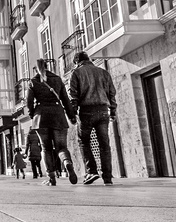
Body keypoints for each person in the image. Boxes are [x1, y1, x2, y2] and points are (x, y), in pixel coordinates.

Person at [27, 59, 78, 187]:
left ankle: (51, 178)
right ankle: (67, 163)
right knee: (61, 147)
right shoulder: (57, 79)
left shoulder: (33, 82)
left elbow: (29, 102)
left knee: (46, 148)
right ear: (48, 67)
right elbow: (65, 99)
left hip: (41, 118)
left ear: (36, 69)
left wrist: (33, 114)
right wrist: (71, 116)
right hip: (58, 116)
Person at [69, 51, 117, 186]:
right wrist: (113, 111)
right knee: (104, 144)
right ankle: (107, 177)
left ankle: (92, 171)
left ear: (77, 62)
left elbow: (74, 96)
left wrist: (73, 114)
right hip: (103, 111)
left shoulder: (77, 73)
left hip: (87, 111)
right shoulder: (103, 73)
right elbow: (112, 93)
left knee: (84, 141)